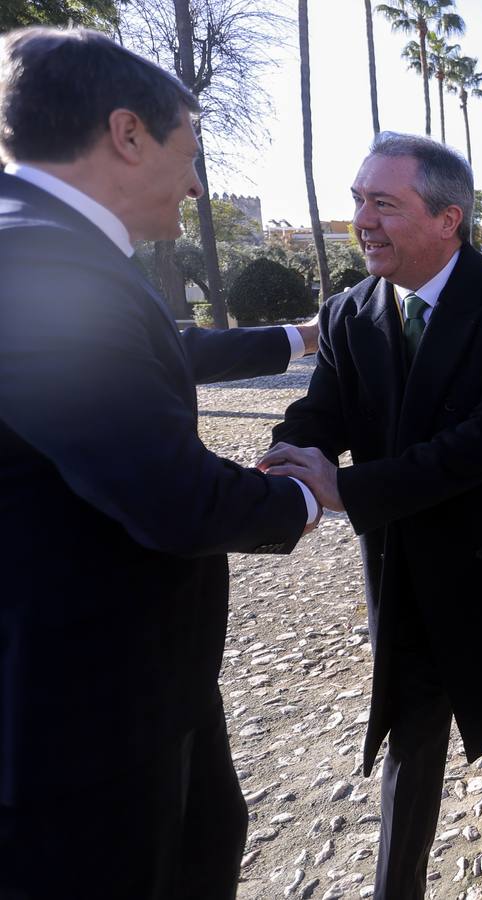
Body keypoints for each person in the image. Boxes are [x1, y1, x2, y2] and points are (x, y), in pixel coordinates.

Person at [0, 28, 320, 900]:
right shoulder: (32, 259)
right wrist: (303, 496)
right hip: (84, 703)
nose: (196, 182)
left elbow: (140, 352)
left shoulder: (49, 244)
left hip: (137, 679)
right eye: (192, 150)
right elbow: (172, 498)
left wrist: (294, 337)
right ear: (127, 133)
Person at [259, 132, 482, 900]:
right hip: (412, 571)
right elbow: (321, 414)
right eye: (358, 200)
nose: (362, 219)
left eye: (383, 202)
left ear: (448, 217)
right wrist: (281, 469)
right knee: (407, 748)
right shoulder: (349, 311)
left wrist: (347, 490)